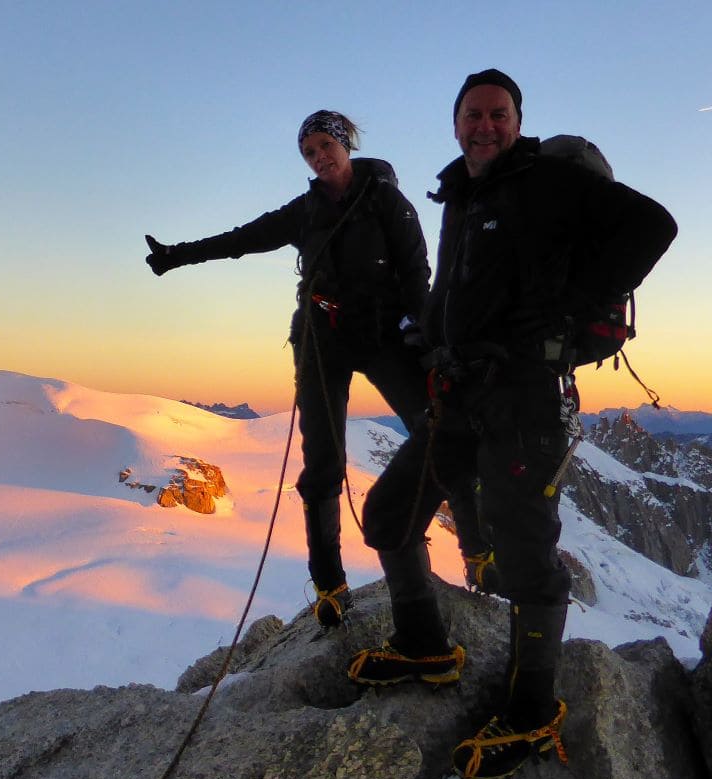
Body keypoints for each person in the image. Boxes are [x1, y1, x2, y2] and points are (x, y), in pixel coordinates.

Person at [145, 110, 475, 687]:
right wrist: (177, 255)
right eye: (309, 152)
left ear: (346, 144)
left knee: (437, 427)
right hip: (322, 341)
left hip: (383, 337)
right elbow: (244, 240)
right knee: (321, 460)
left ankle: (476, 542)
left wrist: (431, 348)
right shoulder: (306, 210)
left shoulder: (389, 204)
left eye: (326, 146)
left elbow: (419, 280)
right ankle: (329, 583)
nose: (319, 158)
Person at [422, 69, 677, 779]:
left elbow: (653, 226)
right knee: (456, 476)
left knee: (530, 546)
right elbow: (460, 285)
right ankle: (485, 568)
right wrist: (435, 342)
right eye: (473, 115)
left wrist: (569, 309)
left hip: (528, 396)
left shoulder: (543, 181)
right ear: (456, 123)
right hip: (469, 384)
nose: (485, 126)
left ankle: (532, 710)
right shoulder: (464, 194)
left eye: (498, 115)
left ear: (517, 120)